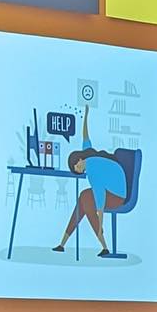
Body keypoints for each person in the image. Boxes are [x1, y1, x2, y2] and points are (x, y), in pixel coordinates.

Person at [52, 105, 126, 258]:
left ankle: (104, 245)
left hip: (118, 195)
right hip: (111, 190)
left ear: (79, 160)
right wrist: (86, 115)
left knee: (86, 199)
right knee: (83, 198)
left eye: (76, 167)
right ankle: (62, 243)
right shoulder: (88, 155)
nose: (78, 170)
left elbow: (100, 197)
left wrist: (100, 223)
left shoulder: (92, 169)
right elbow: (85, 135)